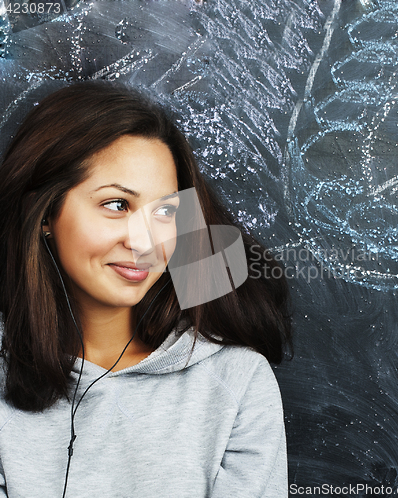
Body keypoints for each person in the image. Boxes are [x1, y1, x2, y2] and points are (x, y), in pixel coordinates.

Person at [0, 81, 291, 497]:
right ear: (45, 213)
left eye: (166, 211)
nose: (144, 242)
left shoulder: (237, 382)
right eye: (117, 205)